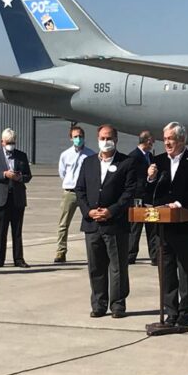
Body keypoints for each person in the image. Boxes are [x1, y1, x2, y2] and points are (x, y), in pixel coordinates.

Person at [146, 122, 188, 328]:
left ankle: (185, 313)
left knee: (186, 272)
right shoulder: (158, 161)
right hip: (162, 227)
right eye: (164, 139)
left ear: (181, 140)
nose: (167, 143)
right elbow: (148, 192)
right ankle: (170, 312)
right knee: (166, 271)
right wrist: (150, 178)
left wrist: (179, 203)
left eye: (170, 139)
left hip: (185, 224)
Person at [75, 124, 137, 318]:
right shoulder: (89, 162)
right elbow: (80, 190)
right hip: (92, 224)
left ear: (116, 140)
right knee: (96, 266)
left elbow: (129, 193)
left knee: (117, 266)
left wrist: (111, 211)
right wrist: (89, 211)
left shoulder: (127, 163)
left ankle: (118, 304)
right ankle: (99, 304)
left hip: (115, 224)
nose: (105, 141)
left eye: (109, 138)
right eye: (102, 138)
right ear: (97, 139)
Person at [0, 128, 32, 268]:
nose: (11, 145)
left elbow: (28, 176)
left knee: (17, 231)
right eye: (8, 142)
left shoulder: (21, 156)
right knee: (1, 230)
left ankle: (18, 259)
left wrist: (19, 177)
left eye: (13, 142)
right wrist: (4, 174)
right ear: (2, 142)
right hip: (1, 198)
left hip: (17, 197)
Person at [54, 125, 95, 263]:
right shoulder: (65, 155)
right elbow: (62, 173)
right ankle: (61, 252)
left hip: (85, 193)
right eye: (76, 136)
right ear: (71, 138)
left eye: (80, 136)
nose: (78, 139)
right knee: (63, 223)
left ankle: (94, 252)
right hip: (70, 192)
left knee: (91, 222)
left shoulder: (90, 154)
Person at [127, 130, 159, 265]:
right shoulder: (133, 157)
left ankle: (155, 256)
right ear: (147, 141)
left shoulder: (150, 156)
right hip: (138, 199)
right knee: (135, 228)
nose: (153, 143)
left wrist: (151, 178)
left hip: (150, 199)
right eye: (152, 140)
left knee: (153, 229)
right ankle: (130, 255)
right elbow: (133, 179)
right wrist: (147, 176)